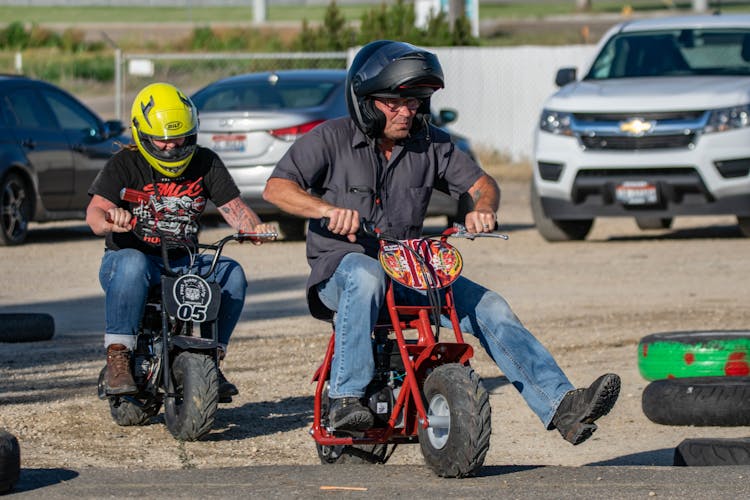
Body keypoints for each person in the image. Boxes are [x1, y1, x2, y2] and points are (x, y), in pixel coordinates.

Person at [263, 40, 620, 445]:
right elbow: (277, 188)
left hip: (408, 269)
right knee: (364, 273)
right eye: (394, 103)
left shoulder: (432, 142)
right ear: (364, 101)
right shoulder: (330, 138)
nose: (407, 112)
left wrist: (481, 207)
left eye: (415, 102)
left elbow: (484, 185)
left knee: (490, 305)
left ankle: (561, 405)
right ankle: (346, 398)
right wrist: (324, 210)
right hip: (341, 273)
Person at [86, 82, 275, 403]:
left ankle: (211, 359)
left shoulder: (205, 162)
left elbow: (236, 210)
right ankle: (118, 356)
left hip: (183, 259)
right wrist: (110, 217)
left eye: (180, 139)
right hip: (133, 260)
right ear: (142, 134)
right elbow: (94, 214)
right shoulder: (124, 163)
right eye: (163, 139)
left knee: (232, 274)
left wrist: (255, 228)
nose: (172, 146)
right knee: (132, 263)